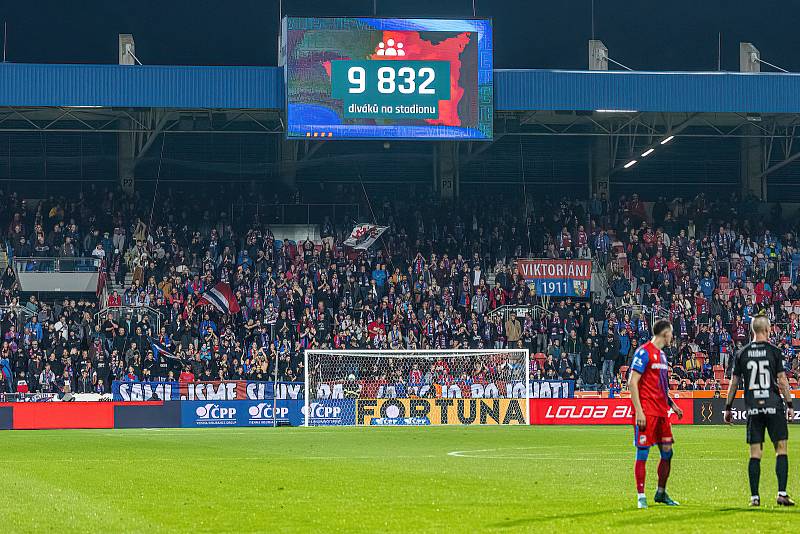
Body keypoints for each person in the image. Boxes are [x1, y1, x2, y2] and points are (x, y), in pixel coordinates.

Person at [723, 315, 795, 507]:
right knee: (781, 449)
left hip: (754, 408)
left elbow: (734, 383)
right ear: (767, 330)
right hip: (774, 406)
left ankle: (755, 498)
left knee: (755, 453)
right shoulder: (774, 351)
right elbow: (782, 380)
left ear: (752, 331)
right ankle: (781, 493)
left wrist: (728, 408)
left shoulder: (742, 353)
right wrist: (789, 405)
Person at [628, 319, 684, 509]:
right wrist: (639, 411)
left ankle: (661, 493)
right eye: (671, 333)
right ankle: (641, 496)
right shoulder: (643, 352)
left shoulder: (662, 356)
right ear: (665, 333)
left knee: (668, 452)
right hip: (647, 413)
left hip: (662, 414)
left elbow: (662, 387)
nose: (672, 337)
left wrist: (673, 405)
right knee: (643, 453)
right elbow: (632, 382)